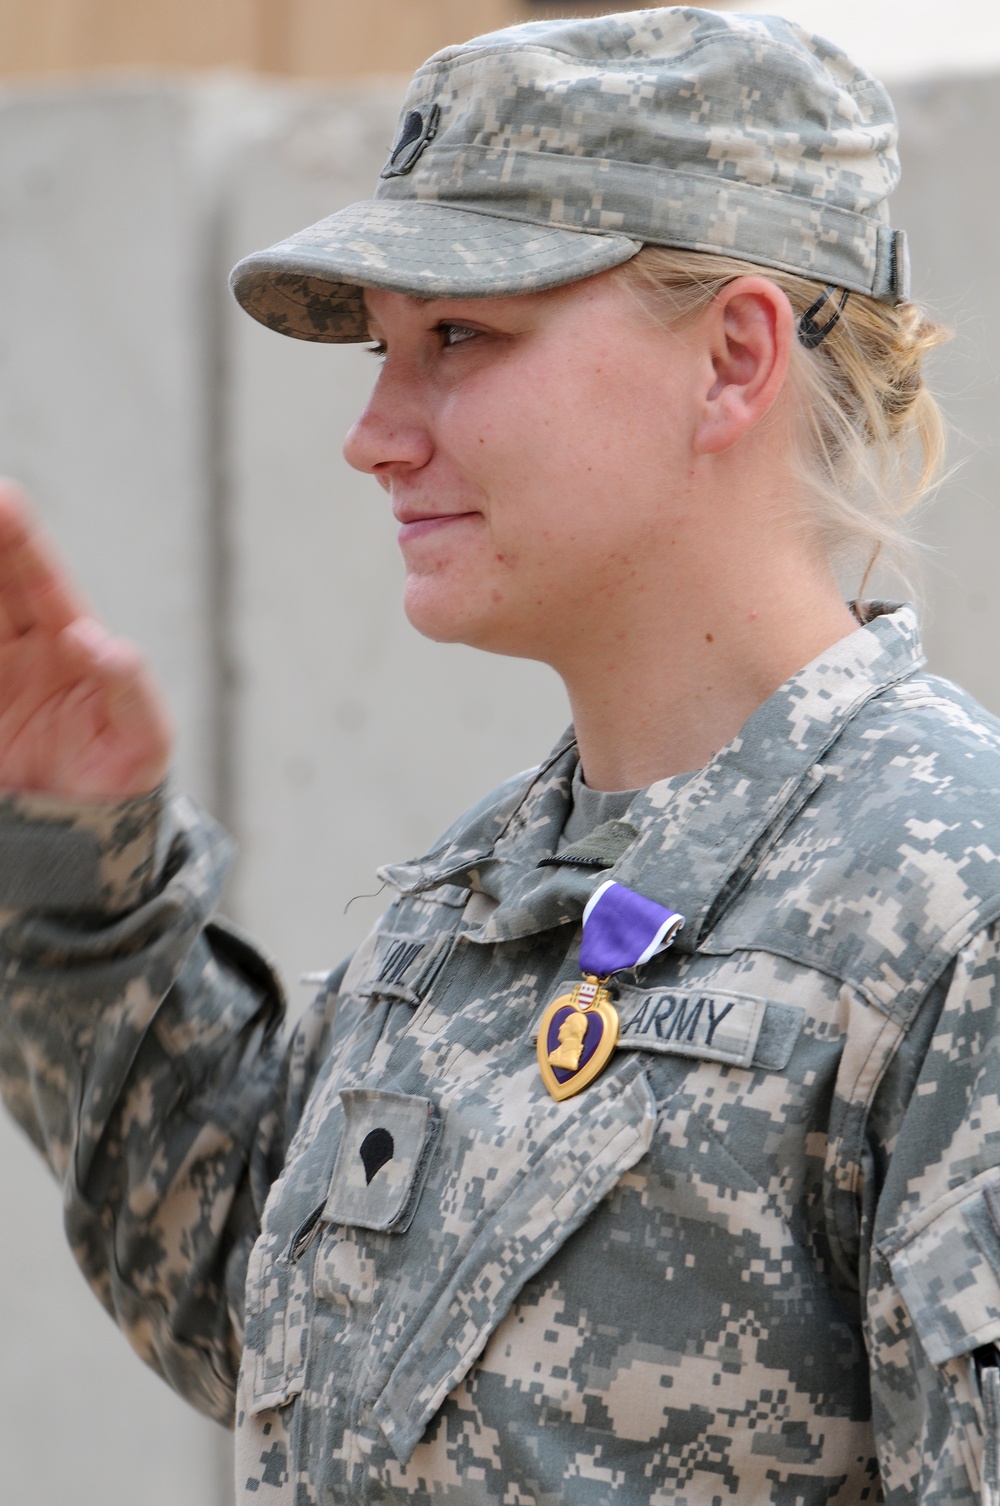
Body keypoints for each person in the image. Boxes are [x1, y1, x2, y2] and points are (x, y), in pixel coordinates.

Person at [0, 7, 996, 1504]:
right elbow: (262, 1302)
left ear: (733, 358)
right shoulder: (490, 890)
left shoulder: (952, 908)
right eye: (387, 349)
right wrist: (85, 879)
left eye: (458, 336)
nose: (375, 433)